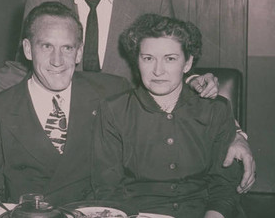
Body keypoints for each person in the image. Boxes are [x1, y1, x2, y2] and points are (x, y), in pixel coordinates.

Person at [0, 0, 255, 193]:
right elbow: (23, 68)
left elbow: (169, 64)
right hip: (68, 138)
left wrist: (236, 133)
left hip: (131, 136)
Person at [0, 2, 130, 205]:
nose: (57, 60)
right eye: (47, 47)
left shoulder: (113, 92)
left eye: (67, 48)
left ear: (79, 52)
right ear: (28, 49)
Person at [92, 14, 242, 218]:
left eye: (170, 59)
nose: (158, 71)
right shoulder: (114, 110)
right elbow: (107, 189)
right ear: (137, 61)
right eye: (148, 58)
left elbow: (224, 185)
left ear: (187, 63)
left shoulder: (216, 110)